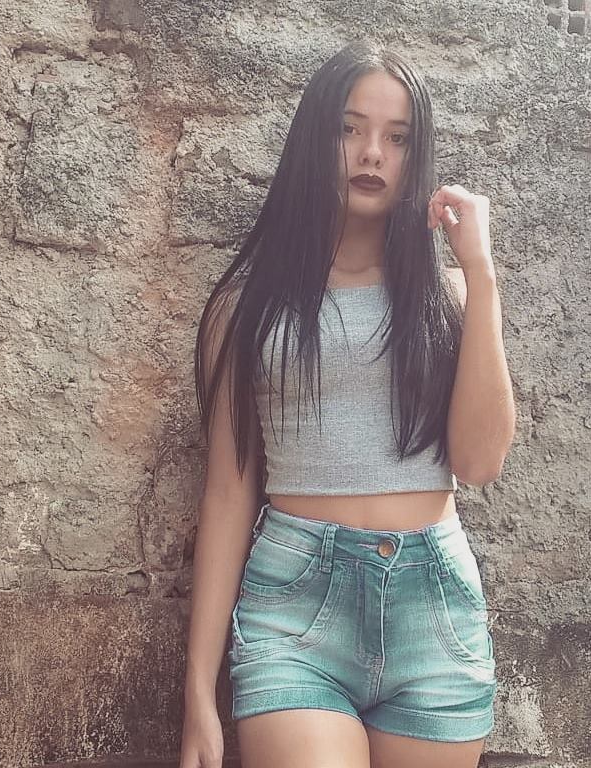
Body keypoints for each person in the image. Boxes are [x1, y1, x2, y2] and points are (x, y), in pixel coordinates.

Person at [180, 40, 515, 768]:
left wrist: (481, 273)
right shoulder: (247, 307)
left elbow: (480, 461)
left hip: (434, 612)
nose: (371, 154)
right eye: (350, 129)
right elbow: (229, 492)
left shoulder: (446, 298)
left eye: (397, 138)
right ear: (315, 138)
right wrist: (198, 691)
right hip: (295, 611)